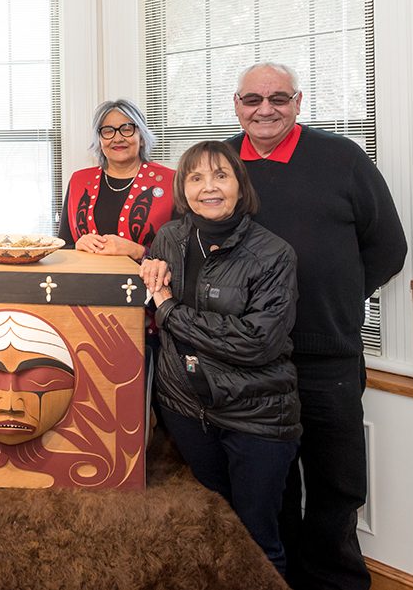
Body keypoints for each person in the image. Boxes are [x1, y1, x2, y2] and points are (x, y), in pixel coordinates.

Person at [229, 62, 407, 590]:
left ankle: (334, 581)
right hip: (251, 359)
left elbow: (388, 247)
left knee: (337, 482)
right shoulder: (220, 166)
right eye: (253, 99)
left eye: (278, 98)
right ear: (236, 104)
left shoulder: (342, 158)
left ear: (299, 102)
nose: (266, 109)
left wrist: (336, 299)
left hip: (328, 352)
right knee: (270, 483)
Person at [140, 140, 300, 575]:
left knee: (256, 542)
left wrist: (170, 309)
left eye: (220, 176)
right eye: (195, 177)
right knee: (213, 525)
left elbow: (256, 342)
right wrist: (140, 269)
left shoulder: (273, 254)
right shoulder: (169, 238)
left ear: (239, 186)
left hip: (256, 418)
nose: (208, 187)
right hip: (185, 411)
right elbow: (148, 291)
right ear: (182, 189)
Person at [58, 98, 174, 261]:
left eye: (127, 129)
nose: (117, 138)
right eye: (108, 131)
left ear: (141, 137)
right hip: (85, 283)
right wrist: (77, 246)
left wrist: (139, 251)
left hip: (146, 285)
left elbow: (184, 255)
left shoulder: (171, 181)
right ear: (99, 140)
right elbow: (63, 246)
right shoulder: (79, 181)